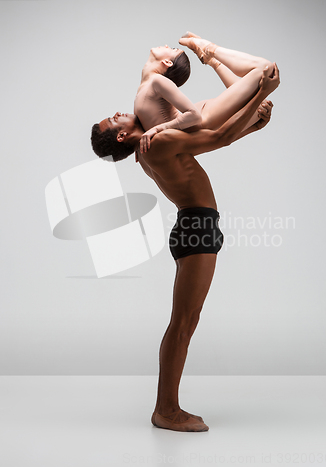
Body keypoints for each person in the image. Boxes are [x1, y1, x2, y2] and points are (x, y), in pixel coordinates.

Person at [90, 61, 280, 431]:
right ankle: (166, 410)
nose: (116, 113)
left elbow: (214, 138)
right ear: (119, 138)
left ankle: (167, 408)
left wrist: (254, 123)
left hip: (197, 225)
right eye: (111, 120)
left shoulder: (155, 140)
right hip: (195, 227)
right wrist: (261, 92)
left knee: (186, 321)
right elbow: (220, 138)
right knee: (184, 322)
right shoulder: (156, 142)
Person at [93, 33, 276, 155]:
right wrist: (156, 130)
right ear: (167, 62)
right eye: (173, 49)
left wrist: (255, 127)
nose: (166, 45)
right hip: (207, 119)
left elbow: (217, 139)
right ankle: (210, 50)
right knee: (267, 70)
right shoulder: (156, 82)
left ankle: (211, 60)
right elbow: (195, 118)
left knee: (261, 99)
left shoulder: (148, 88)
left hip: (210, 119)